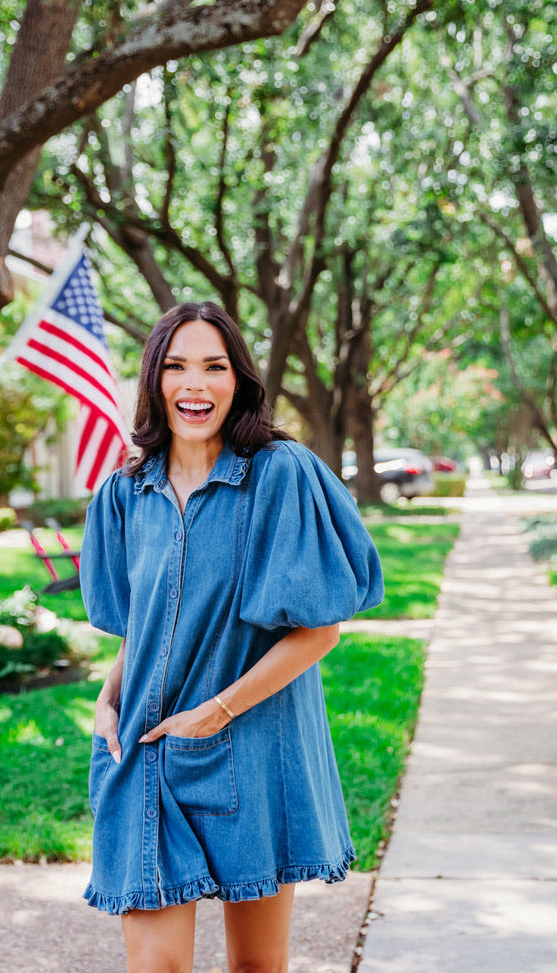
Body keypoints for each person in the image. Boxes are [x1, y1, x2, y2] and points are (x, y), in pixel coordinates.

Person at [79, 301, 384, 973]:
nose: (196, 384)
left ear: (238, 380)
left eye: (214, 367)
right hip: (149, 749)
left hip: (253, 742)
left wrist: (214, 714)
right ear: (155, 381)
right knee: (154, 965)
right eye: (177, 366)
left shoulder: (280, 475)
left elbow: (318, 632)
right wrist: (108, 699)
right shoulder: (125, 492)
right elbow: (146, 625)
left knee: (255, 966)